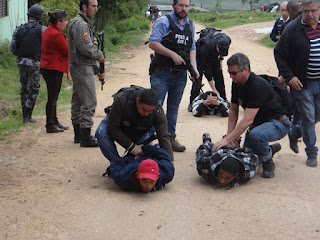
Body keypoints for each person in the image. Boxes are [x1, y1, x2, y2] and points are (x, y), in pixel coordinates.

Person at [212, 53, 290, 178]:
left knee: (256, 136)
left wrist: (227, 140)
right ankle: (270, 149)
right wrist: (230, 136)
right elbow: (233, 110)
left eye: (234, 73)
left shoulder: (258, 86)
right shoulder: (236, 83)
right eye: (229, 73)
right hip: (259, 125)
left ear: (246, 70)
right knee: (245, 155)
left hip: (279, 123)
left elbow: (248, 119)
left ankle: (268, 160)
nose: (231, 76)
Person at [274, 0, 320, 167]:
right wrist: (289, 76)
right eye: (306, 11)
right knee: (308, 116)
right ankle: (311, 152)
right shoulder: (292, 29)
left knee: (316, 115)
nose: (309, 14)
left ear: (319, 11)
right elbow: (279, 53)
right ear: (302, 10)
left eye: (313, 11)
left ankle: (294, 132)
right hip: (301, 83)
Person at [148, 0, 199, 152]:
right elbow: (153, 43)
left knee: (173, 108)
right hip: (162, 72)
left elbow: (192, 49)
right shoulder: (163, 22)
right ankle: (148, 142)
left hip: (180, 75)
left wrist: (194, 70)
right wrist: (172, 55)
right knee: (154, 108)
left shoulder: (190, 25)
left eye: (186, 6)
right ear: (174, 6)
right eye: (181, 5)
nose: (184, 9)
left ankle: (169, 139)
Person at [95, 87, 174, 165]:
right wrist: (132, 147)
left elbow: (164, 136)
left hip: (139, 131)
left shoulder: (158, 111)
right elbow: (112, 128)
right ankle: (117, 164)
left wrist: (169, 162)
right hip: (118, 123)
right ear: (137, 101)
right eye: (144, 109)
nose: (146, 114)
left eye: (150, 111)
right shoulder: (122, 99)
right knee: (101, 133)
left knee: (147, 157)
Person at [68, 0, 105, 147]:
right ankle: (85, 137)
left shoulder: (80, 22)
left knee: (78, 101)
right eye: (93, 6)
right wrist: (99, 55)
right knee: (89, 101)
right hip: (82, 67)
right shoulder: (81, 24)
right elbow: (85, 48)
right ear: (85, 7)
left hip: (81, 66)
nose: (96, 9)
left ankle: (79, 134)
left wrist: (96, 68)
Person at [9, 4, 46, 123]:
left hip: (21, 61)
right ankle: (27, 115)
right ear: (39, 17)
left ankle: (25, 114)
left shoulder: (18, 28)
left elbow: (12, 47)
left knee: (24, 88)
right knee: (34, 88)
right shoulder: (42, 30)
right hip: (35, 62)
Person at [40, 9, 69, 133]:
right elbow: (67, 51)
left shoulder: (48, 30)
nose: (66, 23)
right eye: (65, 20)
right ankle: (50, 124)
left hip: (48, 66)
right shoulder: (56, 34)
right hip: (53, 67)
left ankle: (54, 121)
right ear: (59, 21)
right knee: (53, 97)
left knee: (53, 96)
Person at [188, 30, 231, 111]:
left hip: (214, 55)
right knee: (198, 77)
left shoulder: (227, 39)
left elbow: (222, 53)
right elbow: (207, 71)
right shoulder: (205, 48)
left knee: (219, 75)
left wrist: (220, 60)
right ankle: (192, 101)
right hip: (200, 56)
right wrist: (214, 90)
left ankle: (223, 99)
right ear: (217, 46)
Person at [110, 145, 174, 192]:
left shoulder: (167, 172)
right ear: (137, 175)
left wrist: (145, 149)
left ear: (157, 176)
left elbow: (164, 155)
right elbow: (115, 162)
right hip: (133, 159)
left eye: (152, 181)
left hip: (152, 156)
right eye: (144, 181)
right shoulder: (122, 176)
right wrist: (133, 156)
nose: (148, 186)